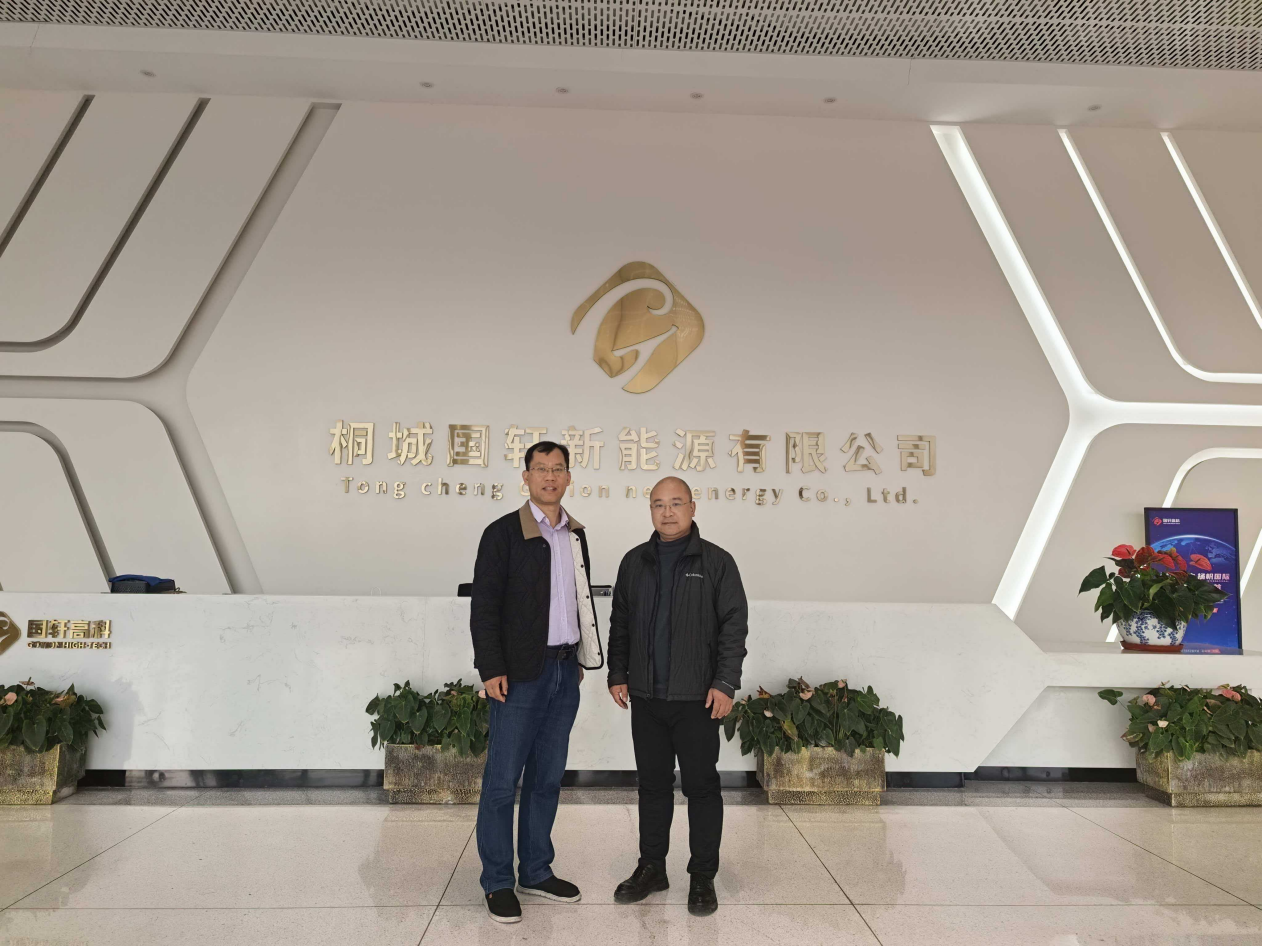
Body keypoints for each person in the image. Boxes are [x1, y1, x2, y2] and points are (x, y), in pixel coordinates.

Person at [470, 441, 603, 924]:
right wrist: (491, 669)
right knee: (502, 782)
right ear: (525, 477)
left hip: (565, 671)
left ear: (569, 477)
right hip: (519, 676)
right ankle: (497, 881)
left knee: (547, 778)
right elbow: (484, 607)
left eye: (558, 469)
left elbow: (578, 601)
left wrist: (580, 656)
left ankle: (536, 871)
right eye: (540, 469)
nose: (550, 476)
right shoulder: (503, 533)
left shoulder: (576, 535)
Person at [607, 475, 749, 916]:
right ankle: (652, 867)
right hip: (647, 698)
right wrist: (617, 673)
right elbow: (620, 623)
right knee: (652, 786)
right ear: (650, 510)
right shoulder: (634, 561)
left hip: (697, 700)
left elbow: (734, 626)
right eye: (658, 504)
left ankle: (703, 875)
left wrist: (725, 683)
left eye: (675, 503)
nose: (667, 512)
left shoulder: (717, 562)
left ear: (692, 507)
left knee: (701, 787)